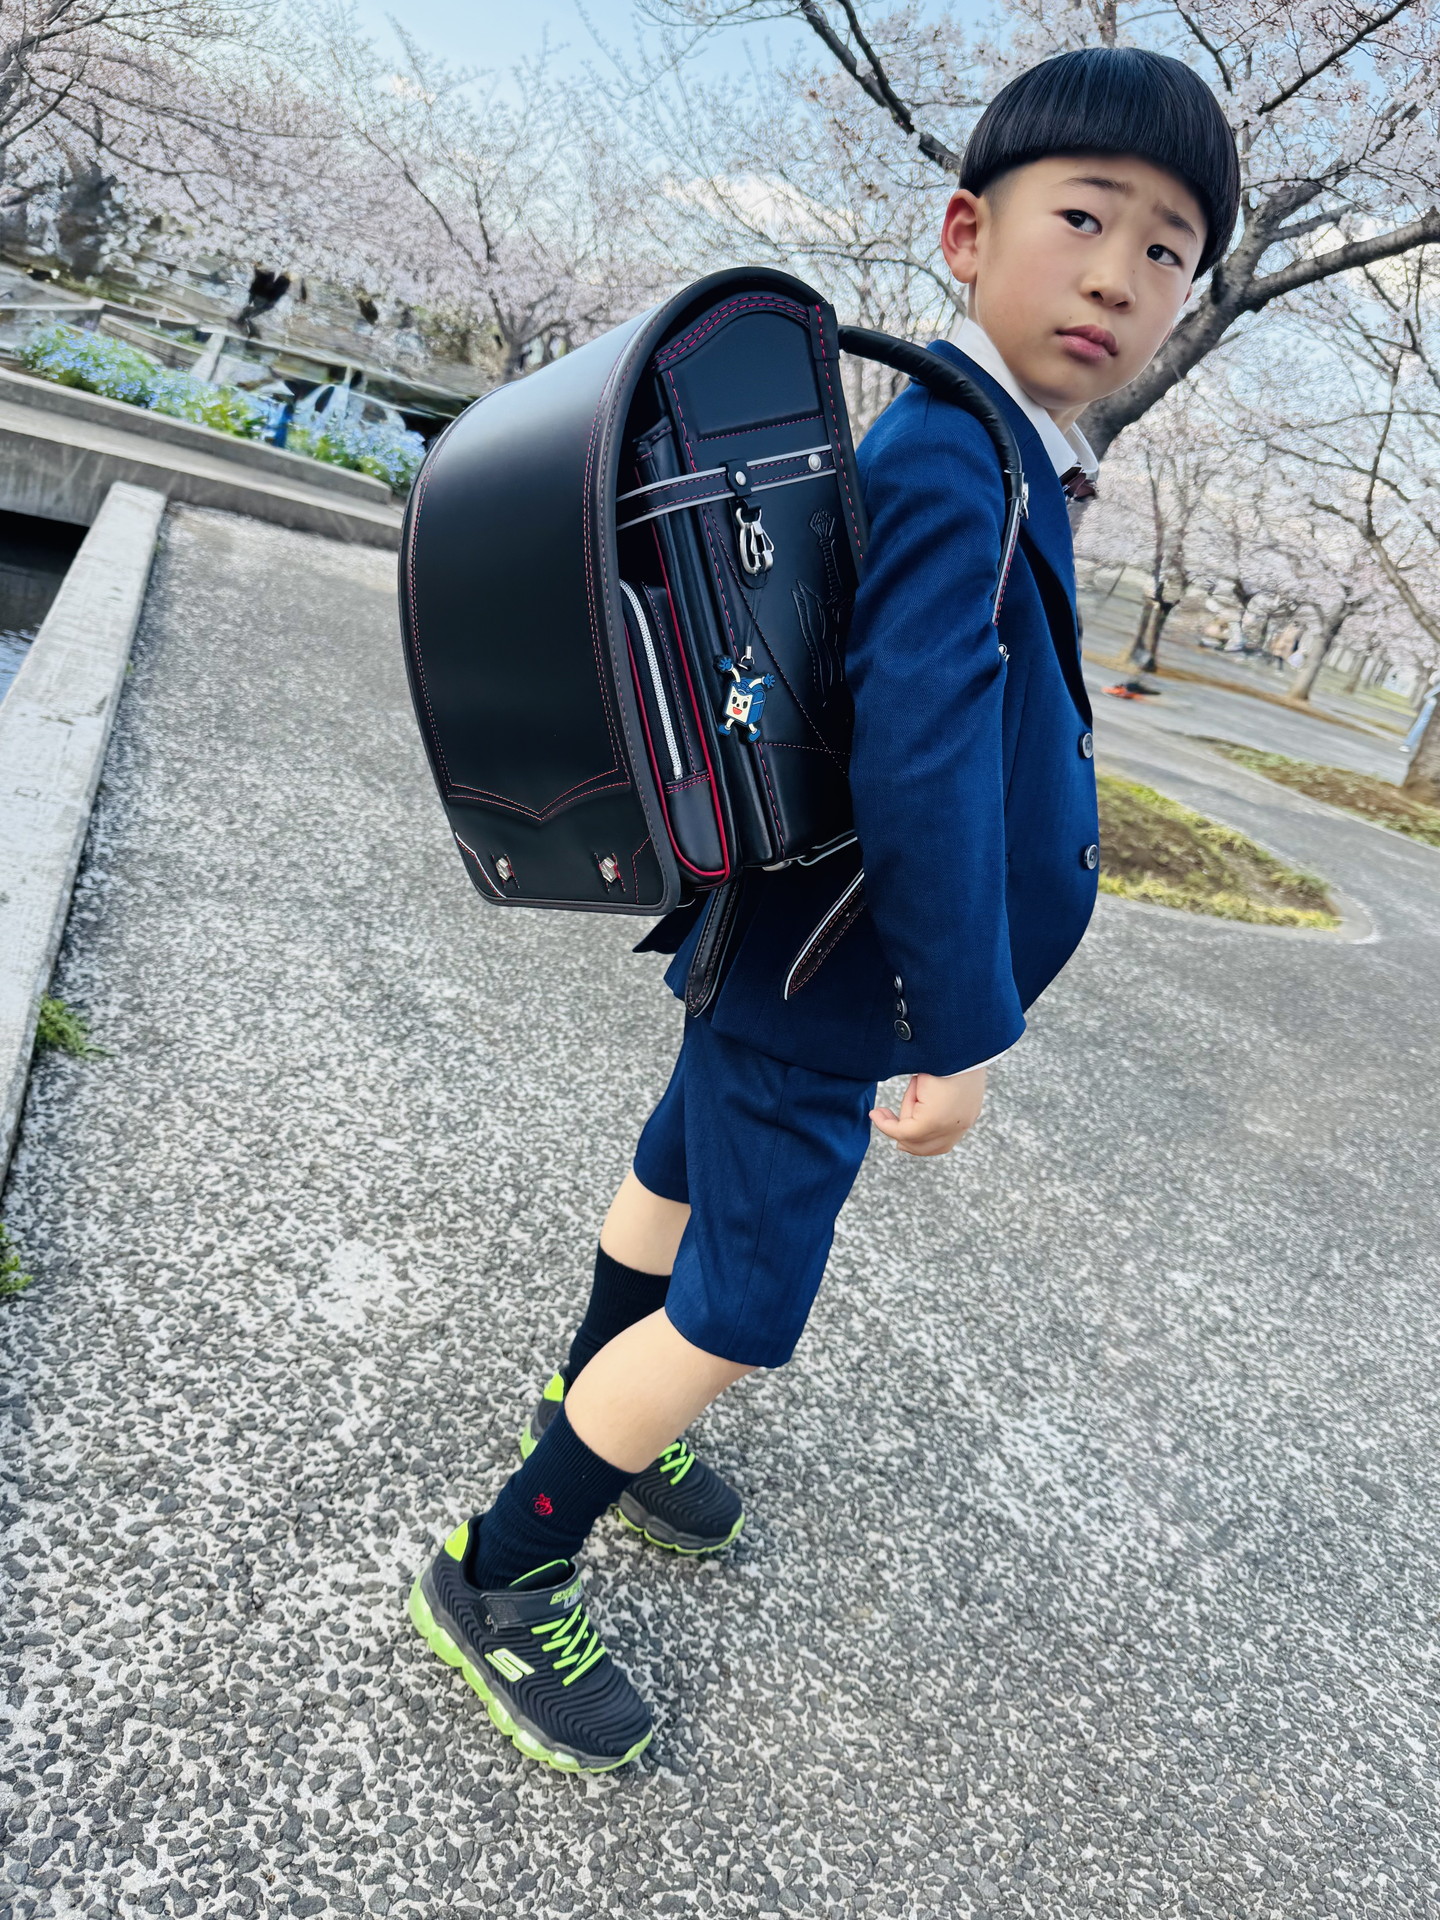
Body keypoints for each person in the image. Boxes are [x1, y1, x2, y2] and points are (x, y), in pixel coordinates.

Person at [408, 45, 1241, 1773]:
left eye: (1168, 249)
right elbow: (921, 749)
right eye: (1085, 219)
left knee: (677, 1167)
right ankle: (505, 1567)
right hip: (845, 977)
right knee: (740, 1302)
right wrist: (956, 1024)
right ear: (967, 233)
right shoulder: (957, 457)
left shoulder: (983, 445)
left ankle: (594, 1397)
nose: (1119, 275)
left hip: (789, 941)